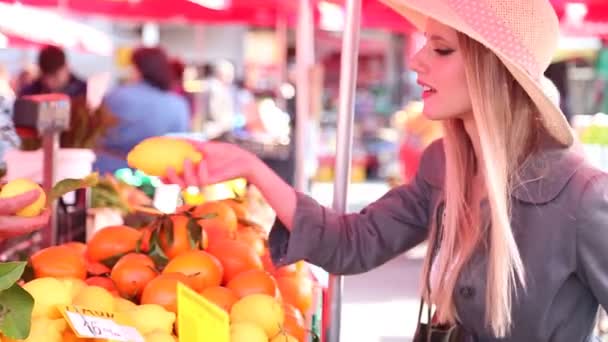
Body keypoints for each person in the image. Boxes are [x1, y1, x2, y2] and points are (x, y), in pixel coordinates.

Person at [166, 0, 608, 340]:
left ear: (494, 70)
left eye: (441, 48)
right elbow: (352, 243)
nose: (417, 61)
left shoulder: (582, 196)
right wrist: (251, 169)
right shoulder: (442, 165)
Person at [94, 47, 190, 174]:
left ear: (137, 68)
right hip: (158, 177)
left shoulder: (117, 96)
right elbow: (180, 145)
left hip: (108, 174)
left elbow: (95, 135)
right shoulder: (178, 104)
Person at [18, 45, 86, 98]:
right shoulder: (29, 94)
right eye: (44, 77)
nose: (49, 83)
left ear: (66, 67)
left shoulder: (84, 92)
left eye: (55, 76)